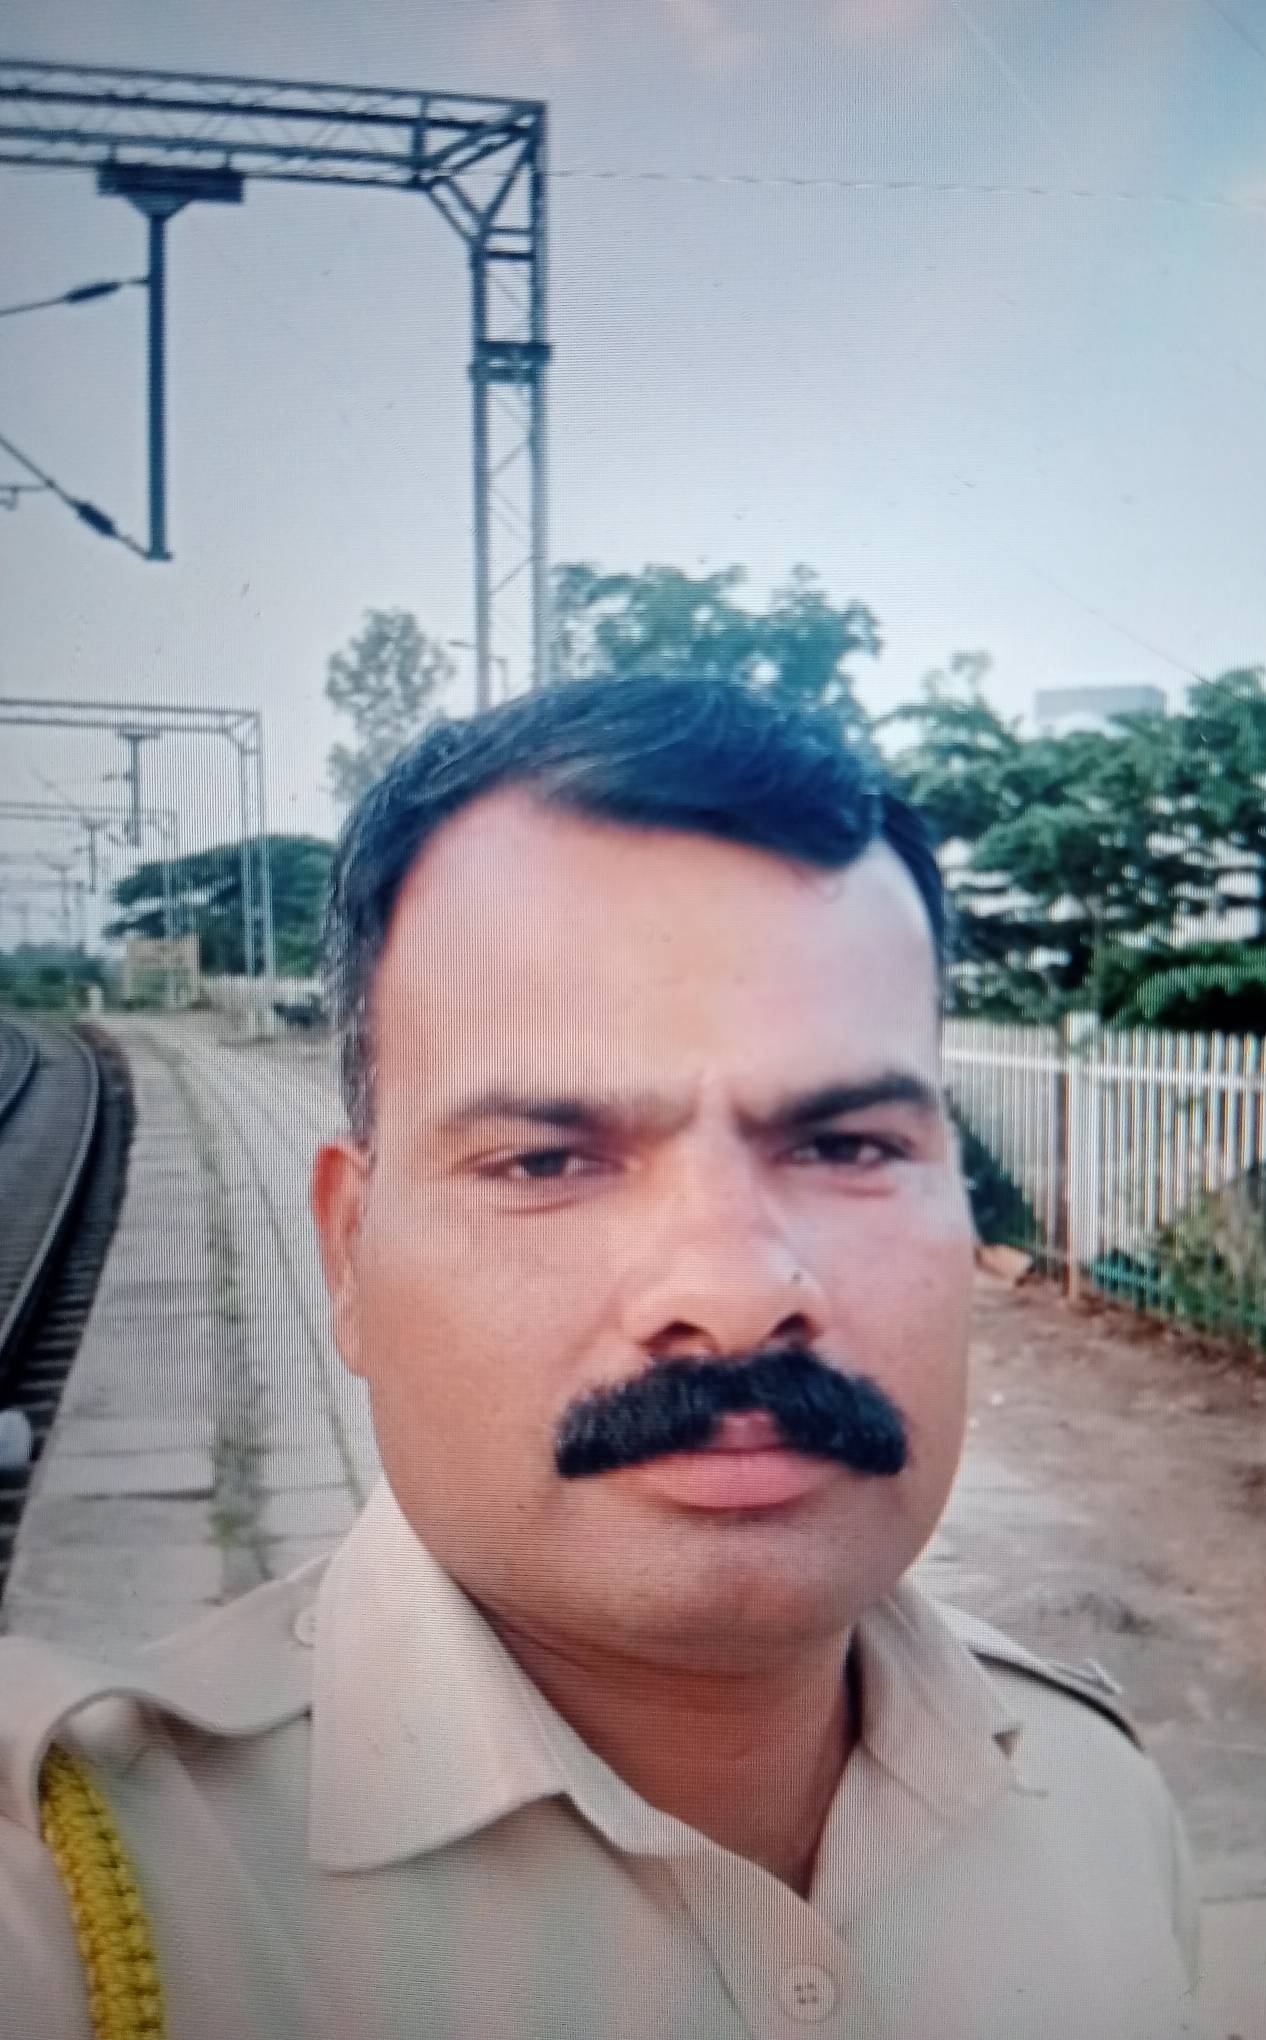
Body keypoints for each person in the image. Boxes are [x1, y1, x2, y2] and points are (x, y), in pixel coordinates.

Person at [0, 678, 1204, 2038]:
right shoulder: (86, 1903)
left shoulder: (1101, 1802)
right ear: (349, 1257)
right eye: (549, 1161)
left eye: (848, 1146)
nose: (736, 1298)